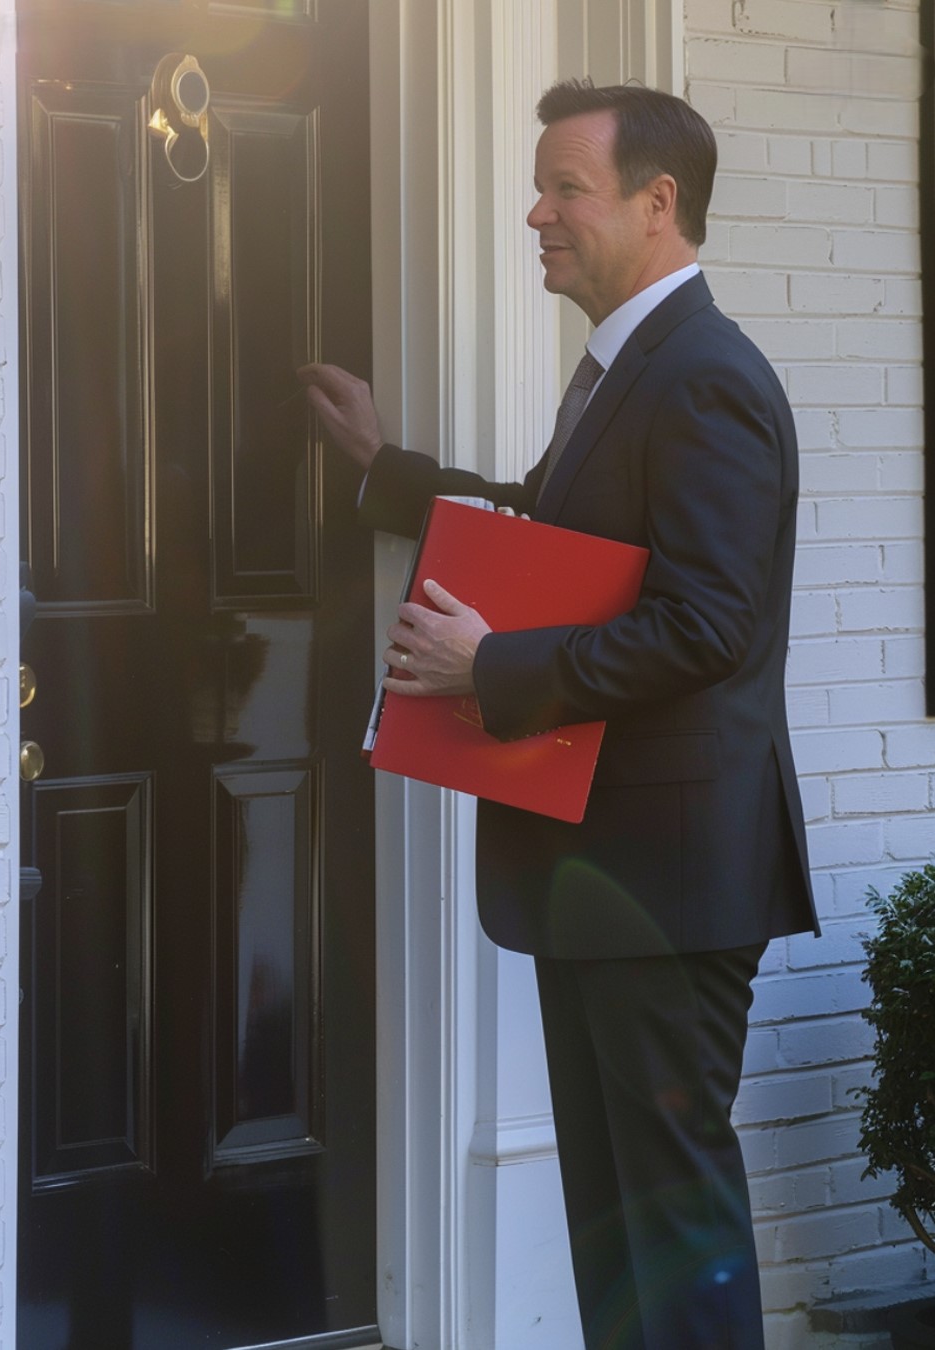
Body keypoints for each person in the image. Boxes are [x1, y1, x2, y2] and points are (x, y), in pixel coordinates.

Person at [299, 80, 818, 1350]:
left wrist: (493, 669)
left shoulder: (703, 378)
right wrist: (383, 471)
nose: (536, 213)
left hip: (669, 886)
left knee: (668, 1228)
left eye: (564, 188)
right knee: (619, 1231)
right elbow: (548, 531)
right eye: (539, 188)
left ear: (657, 202)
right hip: (609, 870)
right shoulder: (632, 368)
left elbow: (710, 625)